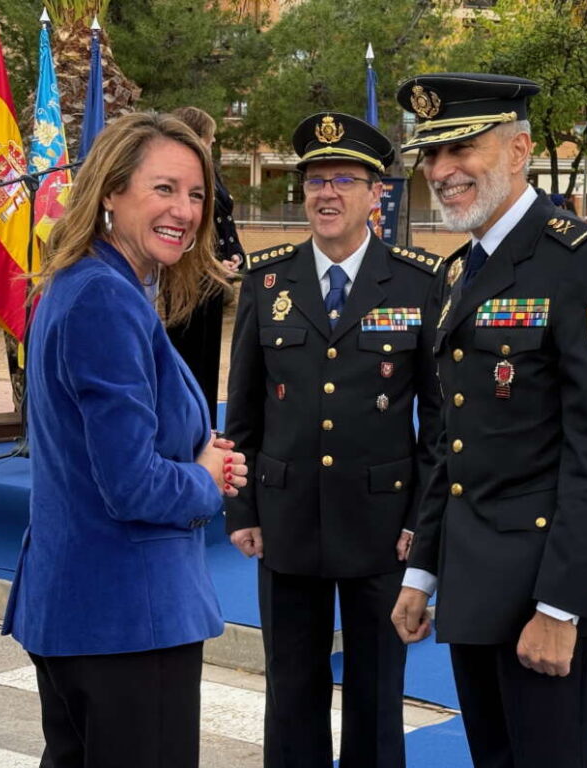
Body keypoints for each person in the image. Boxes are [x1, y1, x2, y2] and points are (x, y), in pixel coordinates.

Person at [390, 73, 587, 768]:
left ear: (519, 149)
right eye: (432, 157)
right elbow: (453, 441)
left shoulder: (586, 264)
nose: (442, 172)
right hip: (475, 586)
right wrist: (423, 576)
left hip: (545, 587)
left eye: (461, 149)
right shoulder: (457, 274)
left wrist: (560, 609)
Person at [1, 112, 249, 767]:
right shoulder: (103, 297)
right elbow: (131, 482)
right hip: (125, 618)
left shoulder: (97, 285)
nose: (185, 210)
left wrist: (200, 455)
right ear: (110, 191)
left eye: (196, 194)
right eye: (164, 189)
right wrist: (206, 478)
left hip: (90, 609)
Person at [225, 112, 443, 768]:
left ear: (376, 192)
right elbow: (244, 408)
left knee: (378, 691)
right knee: (291, 686)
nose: (325, 193)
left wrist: (420, 525)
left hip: (382, 524)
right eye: (315, 180)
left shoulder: (416, 282)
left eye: (344, 179)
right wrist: (242, 508)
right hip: (287, 517)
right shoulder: (268, 281)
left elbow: (439, 424)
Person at [167, 106, 246, 425]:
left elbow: (223, 218)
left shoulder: (208, 169)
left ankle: (204, 424)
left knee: (208, 354)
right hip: (187, 273)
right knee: (187, 352)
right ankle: (185, 425)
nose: (211, 145)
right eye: (209, 139)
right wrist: (209, 260)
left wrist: (235, 254)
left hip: (213, 273)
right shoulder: (179, 175)